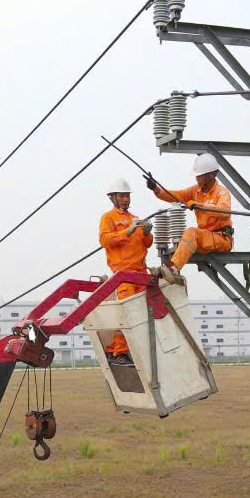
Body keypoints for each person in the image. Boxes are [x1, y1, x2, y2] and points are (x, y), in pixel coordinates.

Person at [145, 153, 234, 282]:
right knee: (191, 234)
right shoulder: (195, 191)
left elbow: (225, 212)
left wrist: (198, 205)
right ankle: (169, 268)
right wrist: (156, 189)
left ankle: (173, 268)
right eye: (197, 176)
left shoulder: (221, 192)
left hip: (221, 238)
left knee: (192, 232)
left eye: (200, 176)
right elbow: (175, 195)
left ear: (211, 175)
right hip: (205, 237)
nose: (197, 179)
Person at [98, 178, 153, 367]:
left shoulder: (135, 218)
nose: (125, 200)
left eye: (127, 196)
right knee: (126, 313)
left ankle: (129, 351)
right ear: (112, 197)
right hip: (124, 275)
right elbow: (105, 240)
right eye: (122, 196)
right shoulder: (108, 217)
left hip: (141, 274)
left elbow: (147, 244)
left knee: (140, 316)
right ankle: (118, 352)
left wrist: (146, 232)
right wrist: (127, 231)